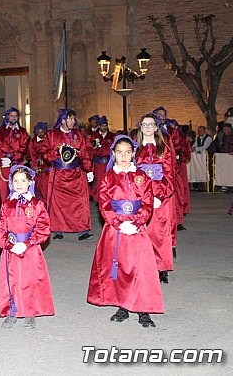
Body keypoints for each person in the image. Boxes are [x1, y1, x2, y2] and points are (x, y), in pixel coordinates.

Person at [87, 135, 163, 328]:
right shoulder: (108, 177)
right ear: (113, 153)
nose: (123, 156)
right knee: (119, 267)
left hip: (137, 229)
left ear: (133, 154)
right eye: (119, 152)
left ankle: (143, 308)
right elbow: (104, 204)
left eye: (127, 152)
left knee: (141, 267)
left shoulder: (142, 177)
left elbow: (147, 203)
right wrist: (119, 223)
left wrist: (137, 223)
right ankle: (123, 306)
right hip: (116, 230)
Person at [0, 165, 54, 329]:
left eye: (23, 180)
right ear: (11, 183)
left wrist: (27, 244)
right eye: (15, 181)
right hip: (12, 249)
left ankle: (30, 312)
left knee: (30, 279)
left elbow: (43, 228)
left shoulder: (36, 204)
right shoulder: (6, 205)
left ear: (30, 182)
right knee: (11, 280)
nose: (19, 184)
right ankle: (11, 311)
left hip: (30, 249)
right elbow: (1, 229)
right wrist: (8, 244)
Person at [135, 114, 176, 282]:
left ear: (156, 127)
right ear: (141, 127)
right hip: (140, 195)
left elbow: (170, 174)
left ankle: (161, 267)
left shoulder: (164, 149)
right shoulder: (135, 148)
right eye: (145, 125)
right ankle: (142, 265)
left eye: (151, 125)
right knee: (141, 231)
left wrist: (159, 195)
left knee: (160, 233)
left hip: (161, 196)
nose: (148, 128)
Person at [42, 109, 94, 240]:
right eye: (70, 119)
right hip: (59, 173)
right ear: (63, 120)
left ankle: (82, 230)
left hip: (76, 173)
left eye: (74, 119)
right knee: (57, 203)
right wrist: (56, 153)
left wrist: (88, 169)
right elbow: (44, 153)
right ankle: (58, 229)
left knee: (80, 201)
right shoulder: (52, 135)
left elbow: (84, 152)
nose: (73, 121)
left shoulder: (78, 135)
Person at [0, 107, 30, 213]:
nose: (13, 118)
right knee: (3, 190)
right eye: (11, 115)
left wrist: (14, 158)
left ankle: (18, 212)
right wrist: (4, 158)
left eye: (15, 116)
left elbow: (24, 146)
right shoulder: (0, 131)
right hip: (3, 165)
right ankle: (5, 213)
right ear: (7, 117)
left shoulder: (22, 131)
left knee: (18, 188)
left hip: (17, 164)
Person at [90, 116, 115, 202]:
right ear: (99, 126)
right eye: (102, 125)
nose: (104, 127)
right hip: (98, 163)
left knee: (109, 181)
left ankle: (108, 198)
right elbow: (90, 149)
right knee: (99, 181)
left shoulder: (112, 136)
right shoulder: (94, 136)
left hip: (109, 162)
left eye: (105, 125)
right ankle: (98, 199)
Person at [28, 121, 49, 200]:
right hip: (38, 166)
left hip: (47, 165)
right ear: (36, 132)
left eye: (42, 132)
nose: (40, 134)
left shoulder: (48, 139)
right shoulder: (33, 142)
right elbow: (32, 154)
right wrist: (35, 165)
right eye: (38, 132)